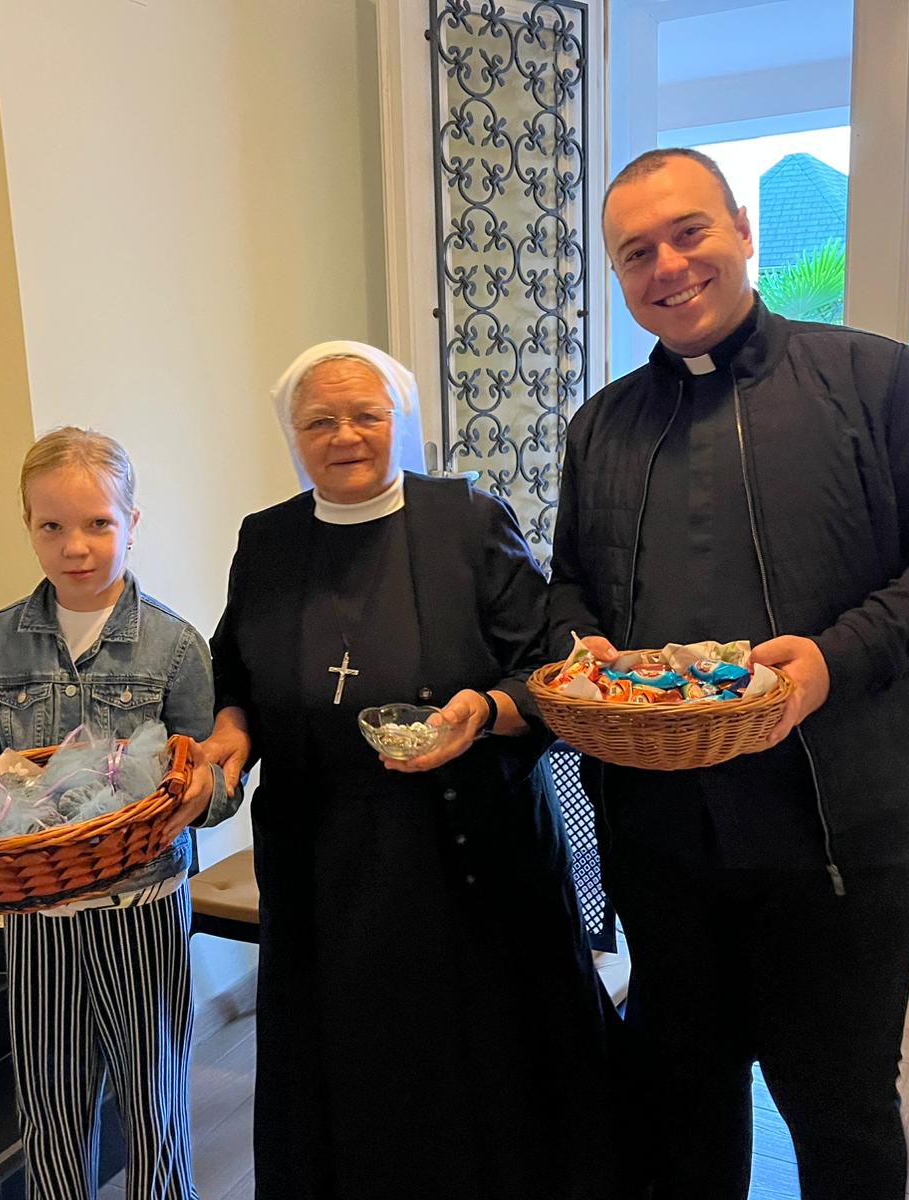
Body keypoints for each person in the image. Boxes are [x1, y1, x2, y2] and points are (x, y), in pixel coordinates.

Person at [548, 148, 909, 1198]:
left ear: (741, 230)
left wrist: (831, 662)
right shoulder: (600, 426)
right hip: (659, 834)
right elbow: (571, 583)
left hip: (837, 831)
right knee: (681, 1091)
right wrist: (582, 647)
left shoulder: (876, 379)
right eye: (636, 253)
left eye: (688, 233)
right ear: (618, 276)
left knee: (840, 1104)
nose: (668, 267)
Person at [201, 341, 620, 1200]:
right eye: (320, 421)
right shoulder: (268, 539)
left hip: (467, 850)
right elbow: (235, 674)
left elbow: (548, 671)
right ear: (292, 434)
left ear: (402, 420)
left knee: (480, 1069)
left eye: (367, 415)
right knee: (351, 1067)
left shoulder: (465, 520)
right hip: (323, 862)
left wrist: (485, 712)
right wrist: (230, 735)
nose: (344, 436)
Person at [0, 426, 237, 1200]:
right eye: (52, 525)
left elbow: (217, 782)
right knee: (48, 1099)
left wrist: (201, 793)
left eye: (98, 523)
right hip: (37, 911)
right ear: (27, 525)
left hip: (141, 906)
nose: (75, 546)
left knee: (153, 1093)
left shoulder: (175, 646)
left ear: (132, 522)